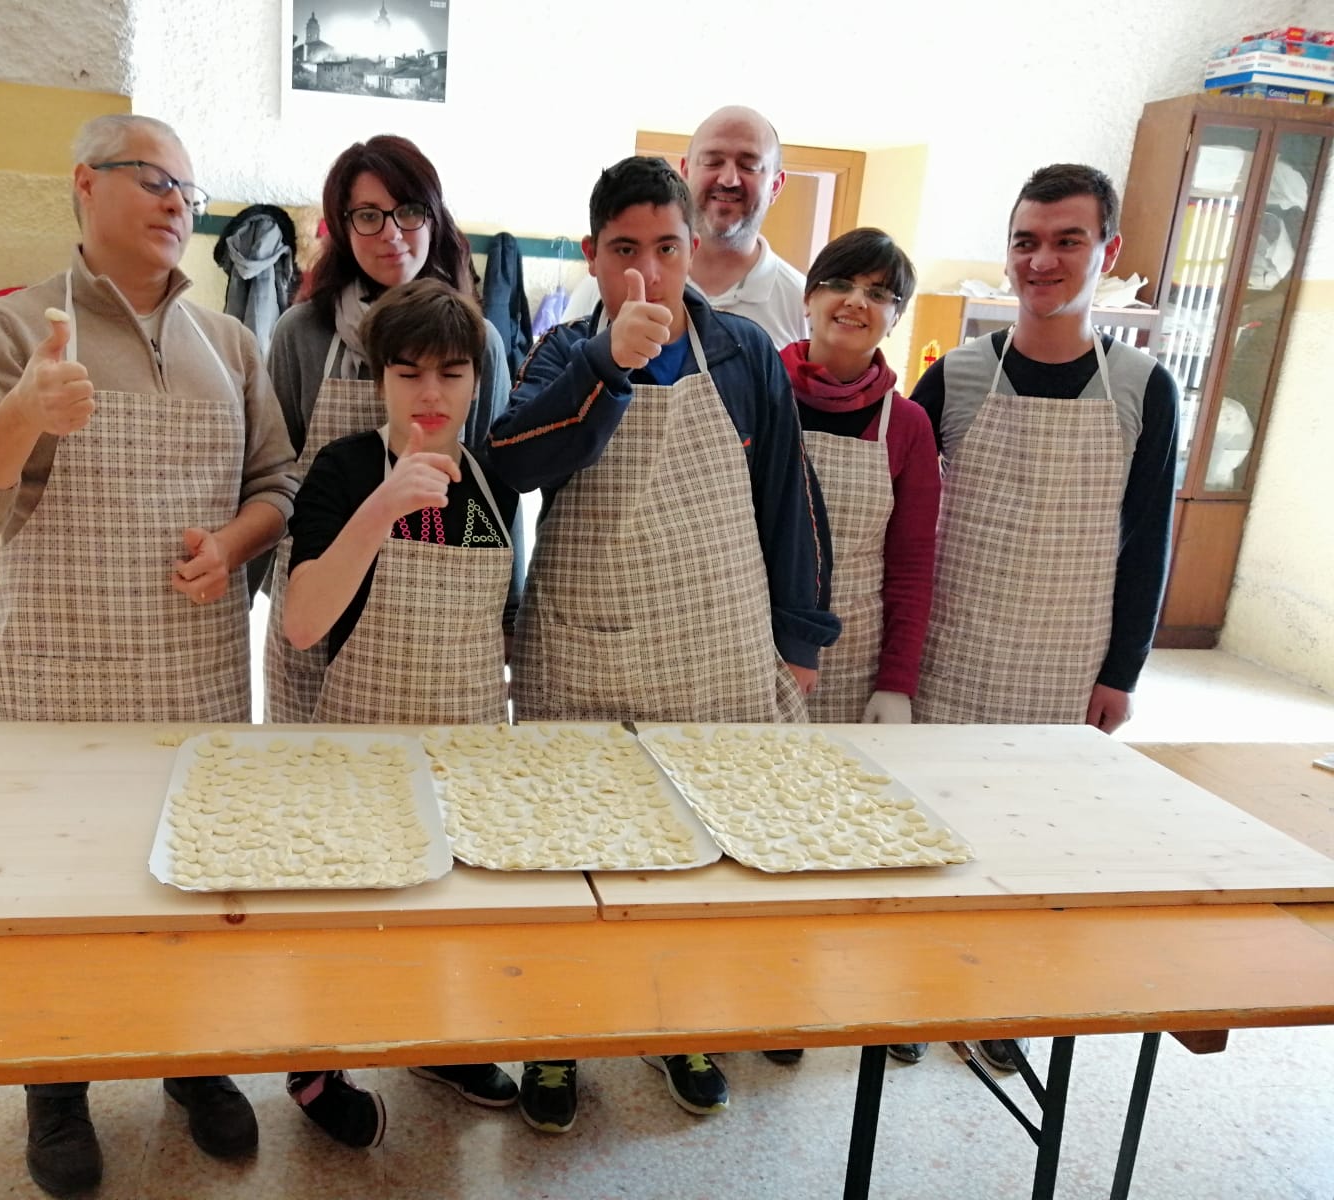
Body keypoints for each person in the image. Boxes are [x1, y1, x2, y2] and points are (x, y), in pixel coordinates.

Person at [0, 114, 297, 1196]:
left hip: (196, 679)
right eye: (154, 179)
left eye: (191, 186)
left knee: (191, 890)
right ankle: (57, 1083)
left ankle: (192, 1062)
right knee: (58, 896)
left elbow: (277, 485)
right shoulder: (8, 328)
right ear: (84, 184)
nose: (180, 202)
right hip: (56, 682)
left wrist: (230, 543)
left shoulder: (228, 344)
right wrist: (22, 415)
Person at [489, 155, 839, 1133]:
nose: (646, 271)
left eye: (666, 248)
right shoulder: (562, 350)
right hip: (582, 644)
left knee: (694, 852)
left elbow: (785, 498)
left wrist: (798, 632)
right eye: (623, 250)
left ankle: (675, 1021)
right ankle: (555, 1038)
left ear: (695, 250)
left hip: (712, 642)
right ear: (594, 256)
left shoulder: (743, 355)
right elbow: (514, 461)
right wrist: (607, 368)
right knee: (574, 852)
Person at [897, 164, 1178, 1071]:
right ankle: (911, 996)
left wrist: (1123, 671)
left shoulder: (1143, 387)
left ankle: (996, 1006)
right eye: (1026, 241)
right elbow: (904, 528)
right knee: (929, 834)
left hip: (1066, 662)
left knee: (1033, 845)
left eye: (1066, 240)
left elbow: (1147, 544)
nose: (1042, 260)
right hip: (957, 652)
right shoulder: (956, 380)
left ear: (1107, 252)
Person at [277, 278, 521, 1147]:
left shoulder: (491, 484)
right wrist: (383, 506)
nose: (429, 395)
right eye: (409, 373)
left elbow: (501, 619)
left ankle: (437, 1041)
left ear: (476, 383)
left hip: (462, 741)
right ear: (379, 377)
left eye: (451, 375)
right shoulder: (344, 470)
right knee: (339, 911)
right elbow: (304, 623)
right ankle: (316, 1061)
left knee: (445, 908)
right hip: (357, 741)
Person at [264, 135, 512, 722]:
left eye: (409, 211)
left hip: (449, 629)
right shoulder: (303, 333)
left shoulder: (481, 340)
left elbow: (491, 492)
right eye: (368, 216)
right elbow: (275, 472)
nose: (392, 233)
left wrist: (506, 619)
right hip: (328, 591)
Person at [780, 229, 940, 726]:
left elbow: (911, 564)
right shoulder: (758, 393)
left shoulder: (908, 425)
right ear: (809, 298)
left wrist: (896, 683)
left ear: (895, 319)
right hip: (745, 642)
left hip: (852, 663)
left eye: (877, 294)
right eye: (839, 283)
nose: (855, 301)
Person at [563, 105, 807, 346]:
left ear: (775, 185)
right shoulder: (601, 290)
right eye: (712, 162)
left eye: (748, 166)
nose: (728, 179)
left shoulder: (803, 304)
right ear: (685, 172)